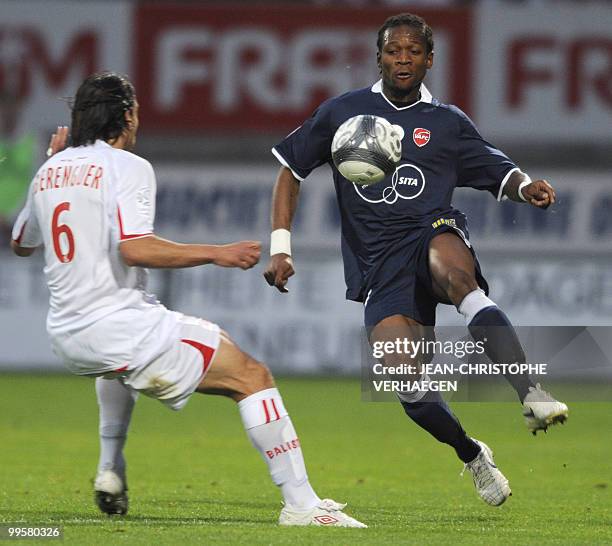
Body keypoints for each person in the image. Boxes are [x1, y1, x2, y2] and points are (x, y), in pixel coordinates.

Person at [10, 72, 366, 528]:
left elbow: (22, 242)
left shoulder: (49, 170)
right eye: (135, 110)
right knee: (251, 376)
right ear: (126, 115)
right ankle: (302, 506)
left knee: (120, 367)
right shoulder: (127, 166)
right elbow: (135, 248)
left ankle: (109, 469)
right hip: (116, 324)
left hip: (66, 335)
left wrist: (54, 168)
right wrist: (217, 253)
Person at [264, 13, 568, 507]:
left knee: (459, 279)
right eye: (393, 50)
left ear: (430, 59)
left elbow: (497, 168)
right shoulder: (343, 112)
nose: (402, 59)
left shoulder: (447, 123)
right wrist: (281, 247)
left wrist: (525, 186)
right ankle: (472, 455)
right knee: (406, 382)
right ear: (378, 56)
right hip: (378, 263)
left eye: (413, 51)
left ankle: (530, 391)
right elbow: (289, 170)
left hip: (431, 231)